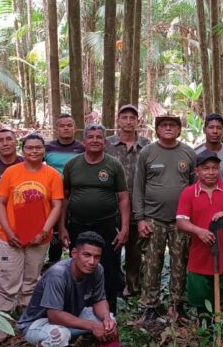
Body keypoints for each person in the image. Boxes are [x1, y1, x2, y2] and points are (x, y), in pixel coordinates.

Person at [175, 150, 223, 337]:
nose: (211, 172)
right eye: (206, 169)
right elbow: (180, 221)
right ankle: (207, 337)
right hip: (200, 258)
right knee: (202, 301)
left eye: (215, 168)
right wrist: (198, 230)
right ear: (197, 171)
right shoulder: (188, 193)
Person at [133, 113, 197, 322]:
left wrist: (192, 219)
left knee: (180, 262)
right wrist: (140, 218)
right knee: (152, 262)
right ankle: (150, 304)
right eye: (164, 125)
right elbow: (138, 187)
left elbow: (194, 186)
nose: (168, 128)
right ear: (157, 129)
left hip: (181, 219)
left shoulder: (188, 153)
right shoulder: (147, 152)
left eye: (173, 125)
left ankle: (177, 304)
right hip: (153, 218)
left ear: (179, 130)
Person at [59, 123, 130, 313]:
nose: (95, 140)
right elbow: (64, 198)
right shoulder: (72, 165)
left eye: (99, 137)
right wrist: (62, 227)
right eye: (91, 137)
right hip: (78, 225)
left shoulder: (113, 165)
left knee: (109, 267)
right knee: (79, 266)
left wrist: (124, 228)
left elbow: (123, 198)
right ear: (84, 141)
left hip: (106, 225)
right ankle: (79, 307)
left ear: (105, 142)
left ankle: (110, 310)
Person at [0, 133, 65, 312]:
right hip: (10, 237)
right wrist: (9, 232)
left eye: (38, 147)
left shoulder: (53, 175)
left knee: (32, 278)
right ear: (23, 150)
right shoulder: (10, 173)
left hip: (39, 237)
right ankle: (2, 319)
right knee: (8, 279)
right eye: (29, 148)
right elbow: (0, 203)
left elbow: (57, 206)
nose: (34, 151)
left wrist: (43, 232)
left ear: (44, 150)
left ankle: (26, 313)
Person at [17, 231, 118, 347]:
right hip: (38, 323)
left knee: (110, 322)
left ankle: (77, 342)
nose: (92, 262)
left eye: (97, 257)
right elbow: (54, 316)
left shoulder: (98, 269)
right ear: (74, 253)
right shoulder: (58, 274)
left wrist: (106, 319)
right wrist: (92, 326)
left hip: (71, 316)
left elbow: (99, 300)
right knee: (58, 336)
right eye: (87, 255)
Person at [105, 104, 151, 297]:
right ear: (118, 120)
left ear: (138, 121)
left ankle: (132, 287)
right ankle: (113, 285)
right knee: (112, 247)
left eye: (132, 117)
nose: (128, 121)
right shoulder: (108, 144)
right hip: (111, 205)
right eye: (124, 117)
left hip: (139, 206)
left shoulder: (147, 145)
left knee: (134, 250)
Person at [46, 114, 86, 266]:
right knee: (55, 234)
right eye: (62, 126)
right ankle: (53, 265)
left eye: (69, 125)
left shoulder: (82, 148)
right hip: (53, 199)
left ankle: (75, 265)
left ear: (75, 128)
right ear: (56, 129)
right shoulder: (47, 148)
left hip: (76, 197)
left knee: (74, 233)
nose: (66, 128)